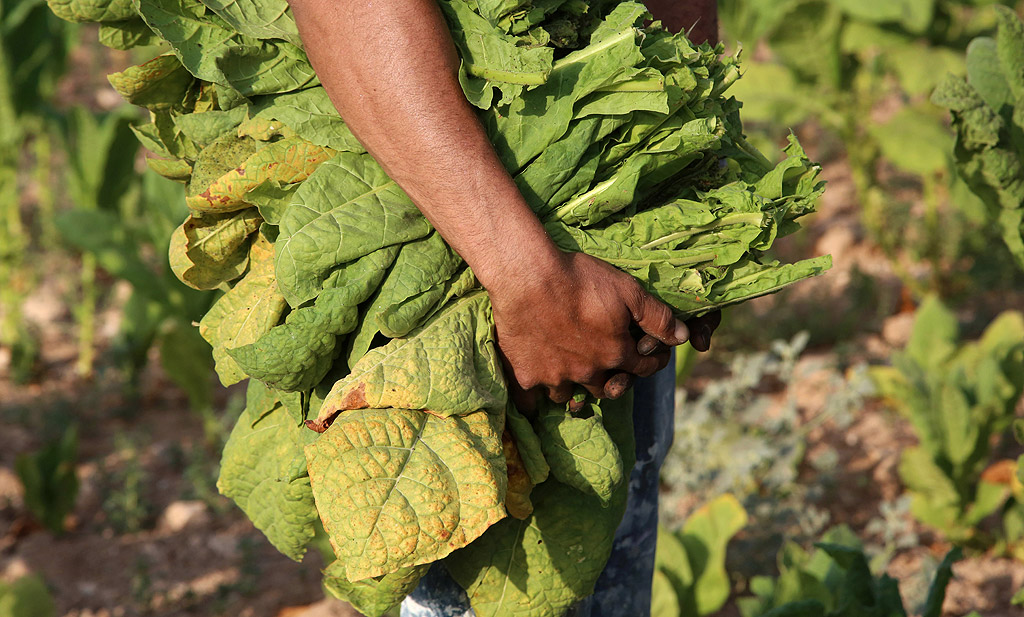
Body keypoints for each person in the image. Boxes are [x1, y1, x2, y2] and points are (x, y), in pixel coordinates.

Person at [286, 1, 720, 614]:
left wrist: (696, 168)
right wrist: (526, 275)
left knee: (614, 533)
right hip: (466, 208)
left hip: (602, 272)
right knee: (468, 554)